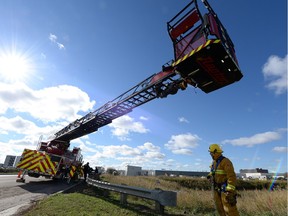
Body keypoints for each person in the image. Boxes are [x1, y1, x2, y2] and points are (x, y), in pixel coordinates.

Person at [207, 144, 239, 216]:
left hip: (225, 191)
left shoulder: (226, 161)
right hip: (217, 190)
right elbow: (213, 171)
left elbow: (231, 176)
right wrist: (209, 176)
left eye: (211, 153)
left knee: (230, 211)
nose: (210, 154)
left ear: (215, 152)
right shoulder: (214, 162)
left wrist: (230, 190)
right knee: (220, 209)